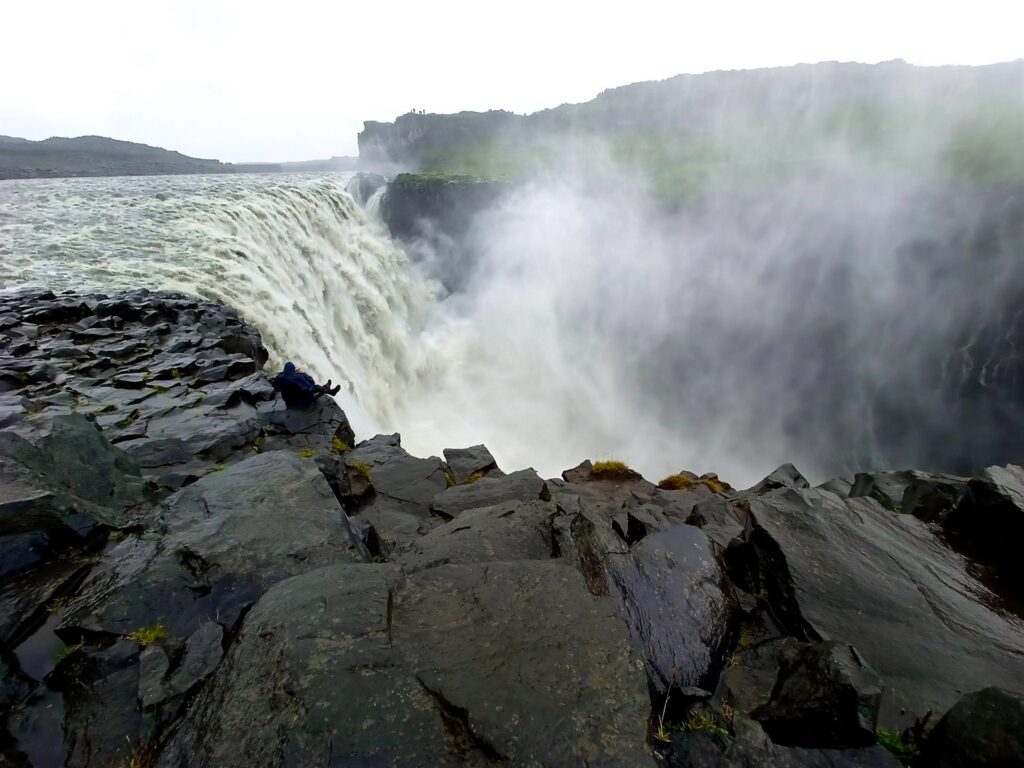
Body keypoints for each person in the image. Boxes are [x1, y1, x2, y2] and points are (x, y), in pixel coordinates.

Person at [271, 362, 341, 409]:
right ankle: (329, 391)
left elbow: (278, 381)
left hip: (288, 401)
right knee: (315, 388)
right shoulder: (298, 377)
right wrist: (302, 374)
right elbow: (311, 383)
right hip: (301, 403)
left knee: (309, 388)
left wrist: (296, 373)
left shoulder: (280, 377)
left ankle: (326, 387)